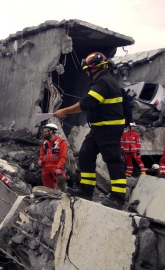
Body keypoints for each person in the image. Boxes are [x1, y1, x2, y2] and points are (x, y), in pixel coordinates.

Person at [54, 52, 127, 210]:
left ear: (96, 68)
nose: (86, 73)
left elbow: (87, 103)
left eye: (88, 69)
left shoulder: (103, 82)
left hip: (109, 128)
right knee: (86, 155)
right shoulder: (102, 81)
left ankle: (118, 197)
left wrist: (64, 111)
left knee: (113, 161)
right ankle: (86, 190)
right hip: (99, 128)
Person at [38, 123, 68, 190]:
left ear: (51, 132)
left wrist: (59, 167)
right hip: (45, 168)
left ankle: (63, 194)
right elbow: (42, 154)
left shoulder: (61, 142)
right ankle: (49, 197)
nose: (43, 133)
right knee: (47, 188)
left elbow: (63, 157)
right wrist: (40, 160)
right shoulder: (44, 143)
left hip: (56, 167)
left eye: (45, 131)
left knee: (61, 180)